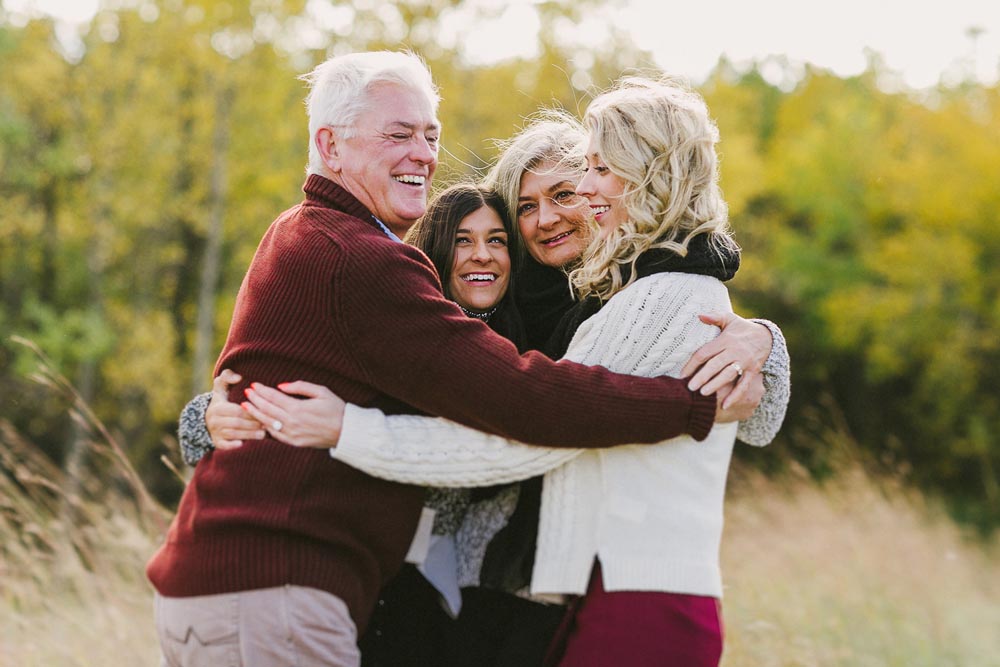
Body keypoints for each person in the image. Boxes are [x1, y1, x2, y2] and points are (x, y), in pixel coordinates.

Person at [148, 51, 750, 667]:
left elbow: (685, 313)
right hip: (279, 587)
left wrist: (762, 344)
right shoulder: (365, 258)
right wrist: (689, 403)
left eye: (430, 135)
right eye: (398, 134)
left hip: (279, 587)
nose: (423, 153)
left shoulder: (301, 231)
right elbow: (521, 398)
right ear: (330, 146)